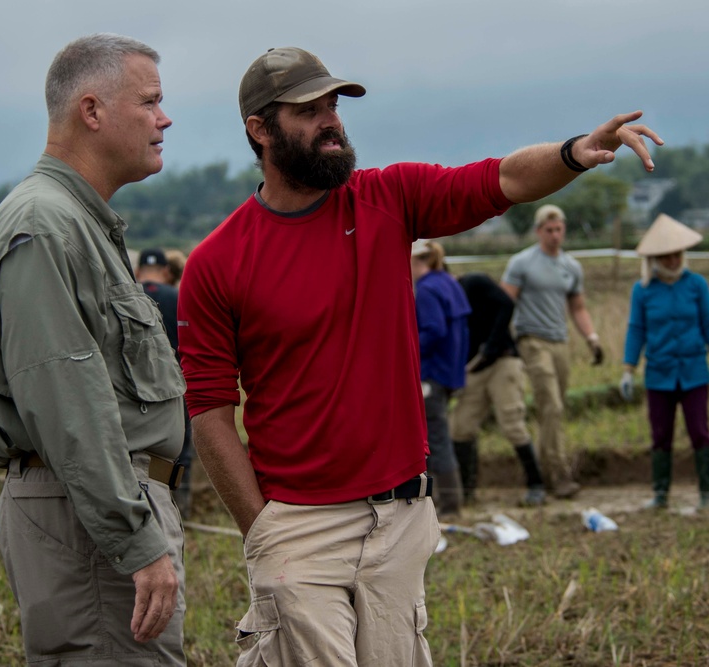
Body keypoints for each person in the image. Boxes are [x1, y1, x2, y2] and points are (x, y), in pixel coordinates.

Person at [177, 45, 661, 665]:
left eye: (333, 105)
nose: (331, 120)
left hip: (399, 517)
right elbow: (211, 410)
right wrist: (262, 529)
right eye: (308, 110)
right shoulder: (218, 262)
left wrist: (573, 153)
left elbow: (501, 180)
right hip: (296, 523)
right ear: (259, 129)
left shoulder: (389, 199)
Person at [0, 34, 187, 664]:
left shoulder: (76, 222)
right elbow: (68, 408)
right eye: (150, 101)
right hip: (91, 523)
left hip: (97, 513)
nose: (165, 119)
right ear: (92, 111)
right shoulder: (45, 227)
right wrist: (136, 542)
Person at [620, 214, 709, 510]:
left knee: (700, 431)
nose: (672, 260)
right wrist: (628, 370)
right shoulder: (642, 290)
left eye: (677, 254)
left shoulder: (696, 284)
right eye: (666, 255)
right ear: (655, 257)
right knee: (660, 435)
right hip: (659, 373)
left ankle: (707, 494)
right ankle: (661, 495)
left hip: (694, 371)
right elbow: (637, 330)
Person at [500, 204, 604, 499]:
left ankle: (545, 472)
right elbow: (504, 303)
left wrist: (592, 338)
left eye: (559, 229)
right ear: (538, 231)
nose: (555, 235)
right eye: (549, 230)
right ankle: (557, 475)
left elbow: (578, 307)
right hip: (532, 340)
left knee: (554, 411)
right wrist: (502, 342)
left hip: (560, 341)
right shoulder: (522, 263)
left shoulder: (572, 267)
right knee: (552, 406)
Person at [450, 272, 547, 506]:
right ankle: (467, 490)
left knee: (512, 423)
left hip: (503, 362)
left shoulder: (474, 283)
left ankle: (536, 485)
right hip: (474, 369)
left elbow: (506, 304)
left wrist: (492, 346)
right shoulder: (435, 300)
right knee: (460, 427)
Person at [411, 239, 470, 518]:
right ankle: (450, 500)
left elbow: (433, 330)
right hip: (450, 372)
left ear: (416, 261)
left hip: (431, 374)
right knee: (438, 435)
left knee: (436, 438)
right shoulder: (448, 281)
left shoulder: (426, 289)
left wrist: (405, 348)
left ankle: (449, 505)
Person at [136, 247, 195, 519]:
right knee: (180, 450)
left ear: (138, 272)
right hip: (175, 386)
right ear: (167, 272)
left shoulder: (129, 296)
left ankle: (141, 505)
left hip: (133, 390)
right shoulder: (179, 297)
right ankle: (179, 507)